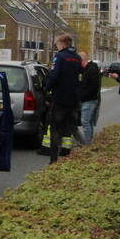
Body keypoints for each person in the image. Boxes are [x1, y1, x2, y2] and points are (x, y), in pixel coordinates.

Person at [45, 33, 82, 163]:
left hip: (60, 98)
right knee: (70, 128)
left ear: (62, 44)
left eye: (57, 44)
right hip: (73, 99)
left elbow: (54, 76)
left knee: (55, 128)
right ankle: (70, 155)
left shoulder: (59, 57)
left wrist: (46, 89)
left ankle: (53, 159)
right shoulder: (77, 58)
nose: (57, 46)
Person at [77, 52, 101, 145]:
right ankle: (89, 141)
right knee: (89, 121)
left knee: (85, 121)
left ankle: (87, 143)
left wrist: (82, 96)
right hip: (89, 99)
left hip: (89, 100)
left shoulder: (91, 70)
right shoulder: (87, 69)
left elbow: (93, 87)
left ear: (81, 60)